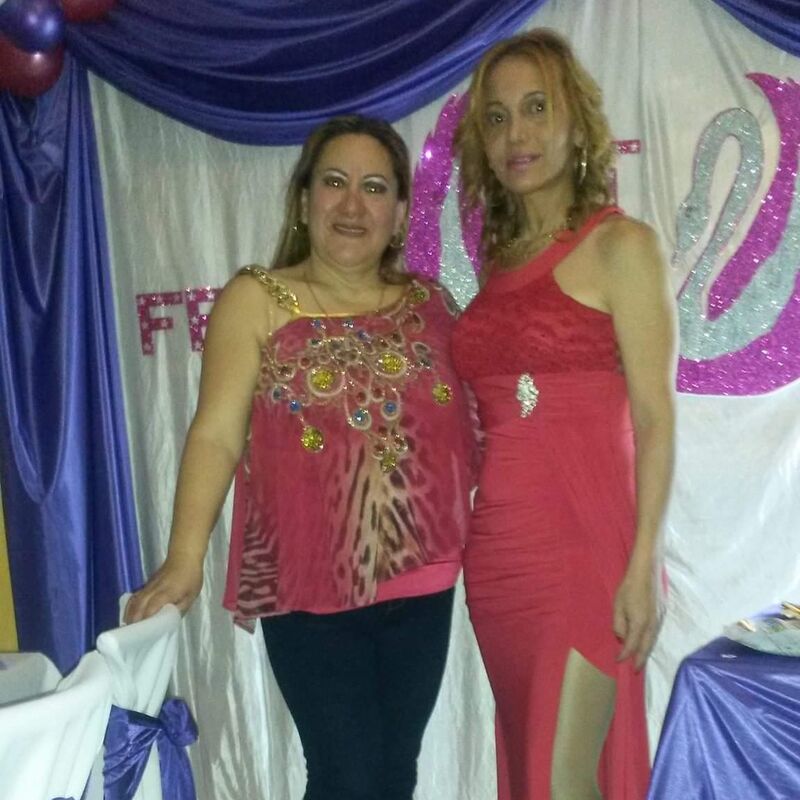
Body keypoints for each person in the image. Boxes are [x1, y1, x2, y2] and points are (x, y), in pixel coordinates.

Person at [125, 115, 474, 800]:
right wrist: (184, 559)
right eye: (335, 182)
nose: (353, 205)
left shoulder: (432, 304)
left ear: (400, 213)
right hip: (310, 583)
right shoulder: (256, 300)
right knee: (345, 776)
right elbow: (216, 434)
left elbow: (475, 421)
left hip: (423, 584)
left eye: (375, 187)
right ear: (305, 197)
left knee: (393, 774)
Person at [451, 30, 676, 800]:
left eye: (536, 108)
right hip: (498, 561)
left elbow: (656, 417)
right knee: (535, 770)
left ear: (576, 121)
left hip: (586, 551)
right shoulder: (497, 266)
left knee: (559, 781)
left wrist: (643, 563)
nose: (517, 134)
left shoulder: (622, 246)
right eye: (497, 117)